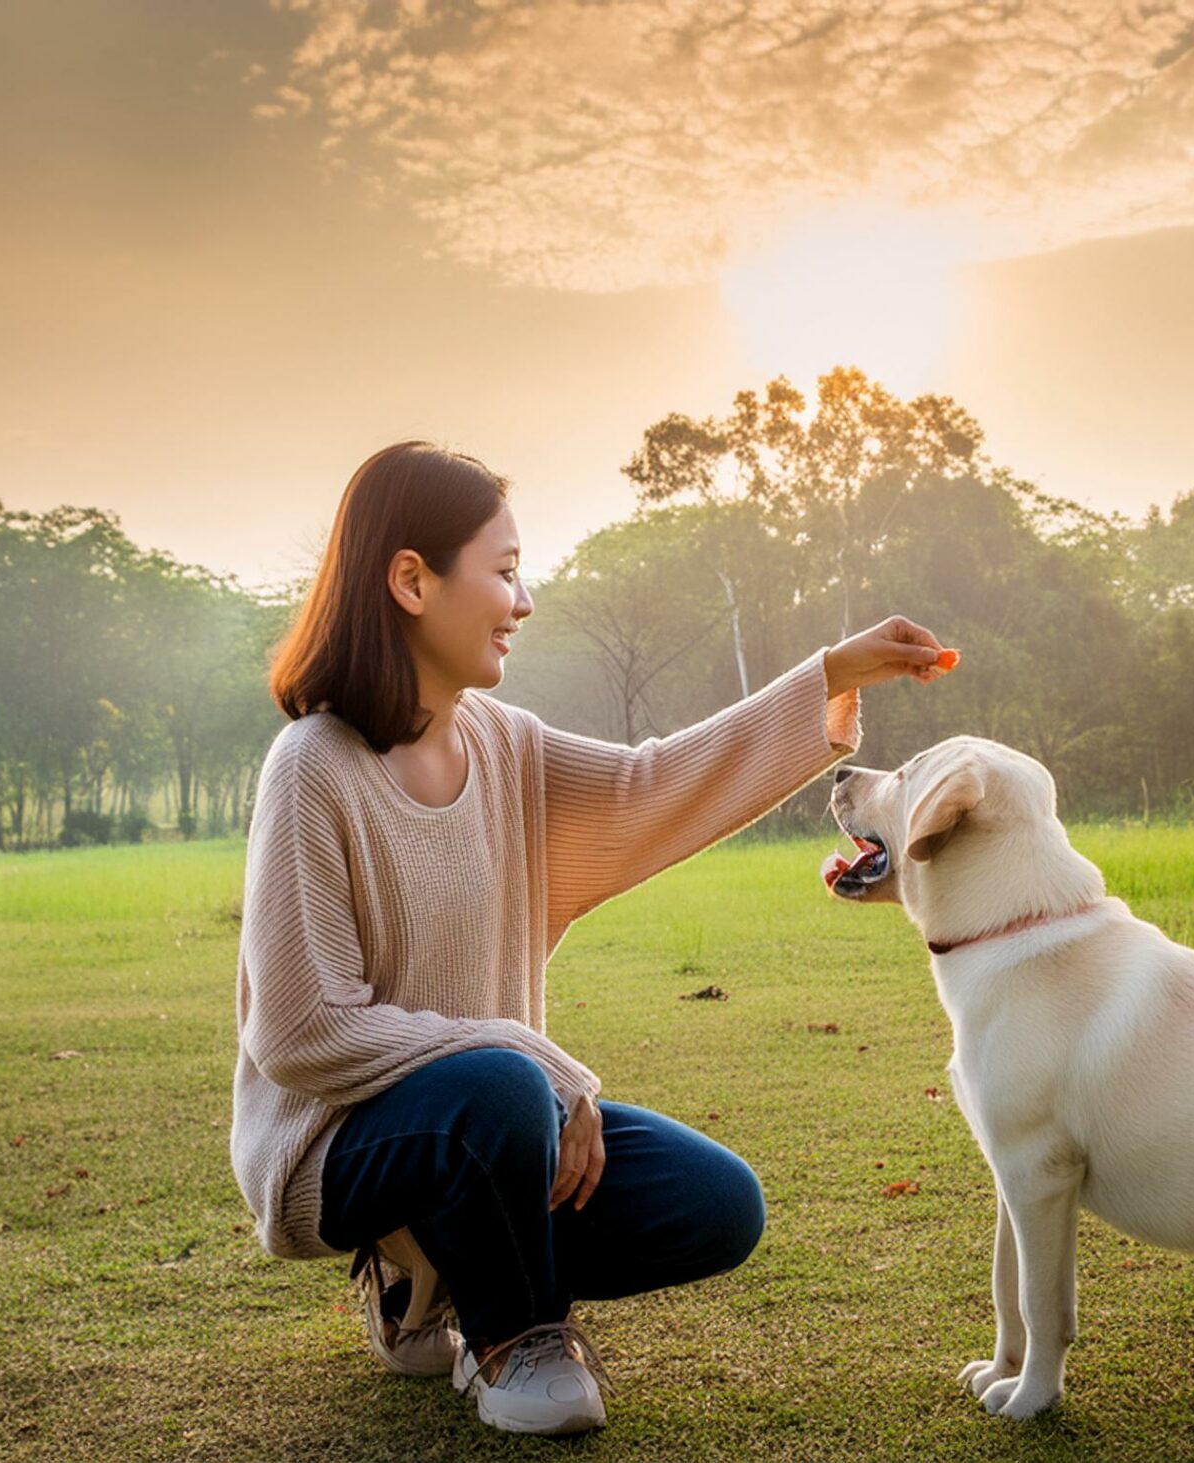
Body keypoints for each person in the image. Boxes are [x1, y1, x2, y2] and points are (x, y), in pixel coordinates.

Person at [229, 440, 947, 1436]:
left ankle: (427, 1279)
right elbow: (301, 1030)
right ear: (410, 579)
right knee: (499, 1082)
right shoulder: (313, 767)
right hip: (343, 1146)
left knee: (715, 1201)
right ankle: (511, 1336)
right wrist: (526, 1052)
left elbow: (654, 781)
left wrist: (827, 674)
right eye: (506, 571)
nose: (523, 602)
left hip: (499, 1122)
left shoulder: (504, 742)